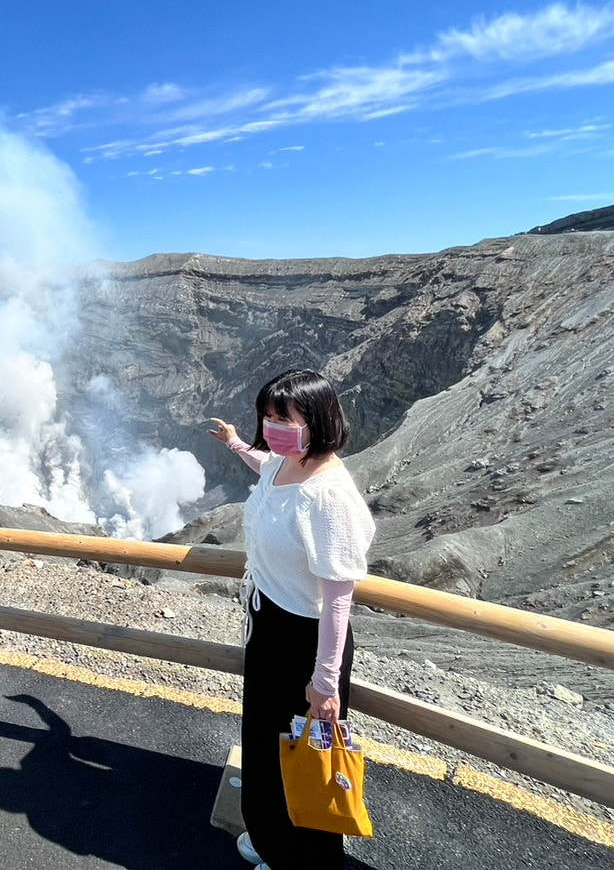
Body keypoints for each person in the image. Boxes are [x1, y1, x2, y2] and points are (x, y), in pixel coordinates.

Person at [207, 370, 374, 870]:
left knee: (305, 758)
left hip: (306, 641)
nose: (271, 426)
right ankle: (271, 842)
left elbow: (338, 599)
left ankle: (305, 862)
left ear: (318, 420)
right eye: (268, 416)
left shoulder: (331, 497)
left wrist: (325, 682)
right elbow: (267, 469)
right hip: (268, 624)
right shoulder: (286, 462)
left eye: (283, 418)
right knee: (264, 744)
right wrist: (236, 443)